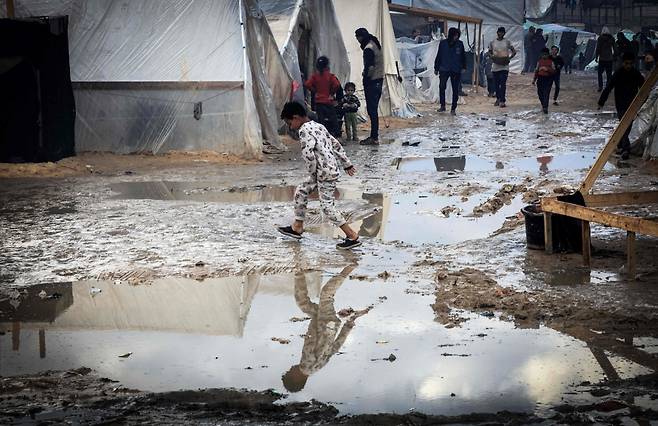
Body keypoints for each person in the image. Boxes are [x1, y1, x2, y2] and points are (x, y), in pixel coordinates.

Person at [277, 102, 361, 250]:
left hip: (322, 173)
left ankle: (352, 236)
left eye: (289, 123)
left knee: (327, 206)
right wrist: (346, 163)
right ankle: (297, 226)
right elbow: (335, 144)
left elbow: (309, 154)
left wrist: (312, 174)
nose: (290, 127)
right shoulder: (319, 126)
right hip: (328, 170)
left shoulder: (303, 131)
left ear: (296, 118)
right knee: (301, 191)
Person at [282, 266, 369, 393]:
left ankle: (299, 272)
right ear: (295, 378)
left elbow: (334, 348)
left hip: (328, 324)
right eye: (289, 372)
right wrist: (316, 321)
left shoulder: (317, 368)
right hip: (323, 322)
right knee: (326, 294)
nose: (290, 369)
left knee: (303, 303)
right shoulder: (305, 365)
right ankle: (349, 268)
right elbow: (312, 339)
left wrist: (348, 326)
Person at [598, 52, 645, 160]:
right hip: (620, 104)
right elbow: (609, 87)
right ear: (623, 63)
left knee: (626, 126)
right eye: (626, 63)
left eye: (630, 63)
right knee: (625, 125)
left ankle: (620, 143)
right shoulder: (618, 73)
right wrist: (601, 102)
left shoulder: (635, 73)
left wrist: (644, 102)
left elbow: (643, 88)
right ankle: (625, 149)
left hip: (633, 103)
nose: (628, 66)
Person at [355, 28, 384, 146]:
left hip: (372, 82)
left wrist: (365, 78)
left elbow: (370, 67)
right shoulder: (374, 44)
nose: (357, 39)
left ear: (362, 37)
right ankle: (374, 135)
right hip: (379, 80)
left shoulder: (368, 49)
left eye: (357, 37)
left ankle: (374, 137)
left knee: (372, 111)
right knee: (373, 110)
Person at [304, 56, 341, 138]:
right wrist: (331, 93)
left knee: (321, 120)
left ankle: (322, 136)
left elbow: (307, 84)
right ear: (327, 65)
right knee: (333, 118)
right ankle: (337, 134)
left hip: (319, 101)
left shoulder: (315, 76)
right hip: (328, 101)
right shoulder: (330, 76)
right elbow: (337, 84)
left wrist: (314, 91)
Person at [433, 27, 466, 115]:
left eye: (457, 36)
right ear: (451, 35)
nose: (456, 37)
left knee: (455, 89)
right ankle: (442, 106)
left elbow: (463, 56)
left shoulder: (460, 44)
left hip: (456, 69)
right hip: (444, 68)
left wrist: (464, 67)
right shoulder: (443, 43)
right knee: (442, 86)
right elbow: (439, 56)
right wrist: (436, 68)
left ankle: (453, 109)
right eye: (455, 35)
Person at [488, 26, 517, 108]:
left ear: (504, 33)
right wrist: (492, 57)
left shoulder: (507, 42)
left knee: (503, 83)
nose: (500, 33)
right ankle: (498, 98)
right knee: (496, 84)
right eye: (499, 32)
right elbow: (489, 52)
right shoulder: (492, 42)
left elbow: (514, 51)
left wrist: (509, 58)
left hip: (504, 66)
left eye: (502, 32)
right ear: (497, 33)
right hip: (495, 66)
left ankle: (502, 100)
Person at [533, 48, 556, 114]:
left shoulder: (551, 62)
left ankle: (545, 107)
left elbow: (554, 71)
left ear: (548, 55)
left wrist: (547, 69)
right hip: (540, 79)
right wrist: (534, 80)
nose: (544, 56)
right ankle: (544, 105)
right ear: (541, 55)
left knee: (546, 93)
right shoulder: (539, 62)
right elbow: (536, 71)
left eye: (545, 54)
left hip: (548, 79)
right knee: (540, 93)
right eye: (543, 54)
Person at [595, 27, 616, 92]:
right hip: (609, 58)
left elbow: (598, 48)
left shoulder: (600, 38)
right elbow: (615, 48)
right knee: (609, 74)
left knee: (599, 73)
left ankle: (600, 87)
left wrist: (596, 57)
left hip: (602, 58)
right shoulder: (612, 38)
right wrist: (615, 56)